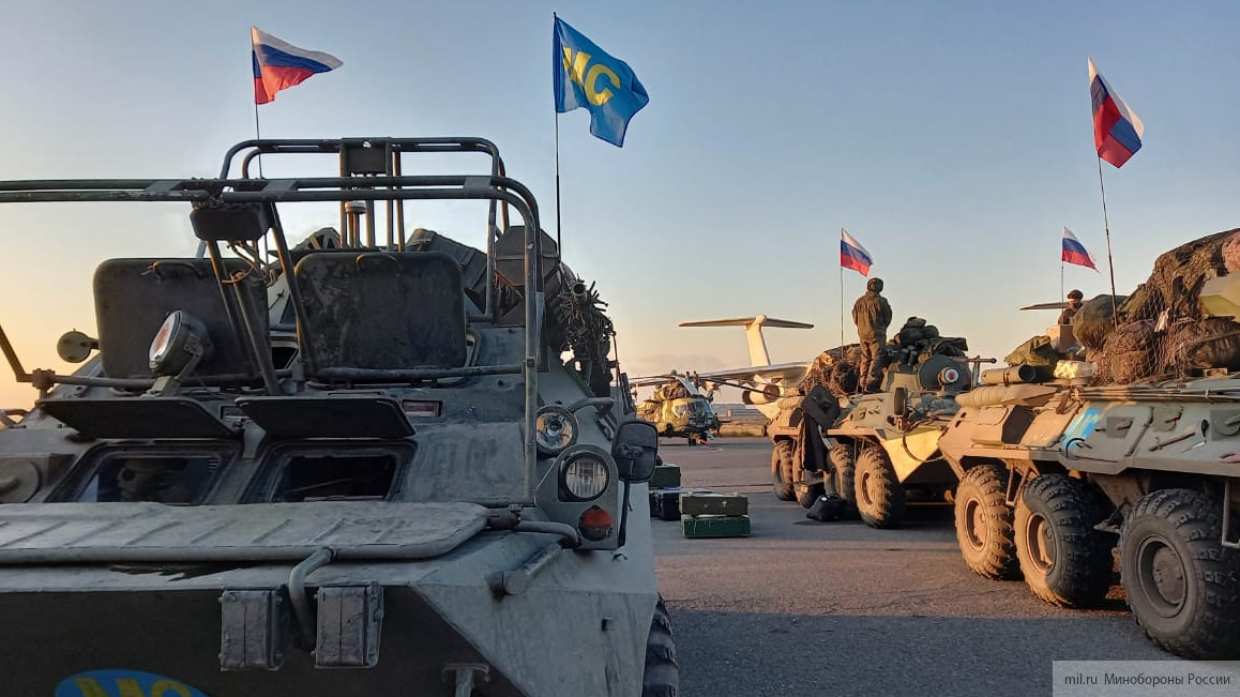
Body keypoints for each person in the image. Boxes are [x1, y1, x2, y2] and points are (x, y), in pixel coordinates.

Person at [852, 277, 892, 392]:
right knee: (877, 358)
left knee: (865, 358)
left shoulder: (859, 301)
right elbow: (888, 317)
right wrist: (881, 327)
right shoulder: (881, 301)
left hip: (862, 333)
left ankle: (863, 382)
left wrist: (862, 327)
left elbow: (854, 317)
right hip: (877, 333)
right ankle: (871, 384)